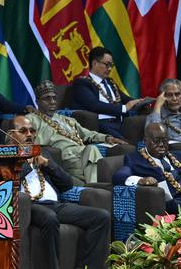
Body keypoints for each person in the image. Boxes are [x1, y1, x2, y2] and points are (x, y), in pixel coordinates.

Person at [8, 115, 110, 269]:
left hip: (55, 204)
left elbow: (66, 184)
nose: (29, 134)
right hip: (29, 206)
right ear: (10, 135)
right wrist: (27, 163)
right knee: (50, 218)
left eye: (32, 131)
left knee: (101, 217)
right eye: (23, 131)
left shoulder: (43, 153)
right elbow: (9, 183)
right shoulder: (5, 156)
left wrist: (48, 164)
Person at [27, 80, 126, 185]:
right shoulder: (31, 119)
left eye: (54, 98)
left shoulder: (67, 119)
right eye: (47, 98)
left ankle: (94, 187)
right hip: (65, 157)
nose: (52, 101)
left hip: (82, 154)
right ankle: (97, 188)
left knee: (96, 153)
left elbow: (87, 133)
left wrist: (107, 138)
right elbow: (24, 139)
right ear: (38, 101)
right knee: (92, 150)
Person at [114, 123, 181, 214]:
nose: (161, 145)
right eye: (156, 141)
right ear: (145, 141)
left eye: (164, 141)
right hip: (172, 205)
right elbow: (119, 176)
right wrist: (141, 180)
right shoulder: (135, 160)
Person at [72, 46, 144, 138]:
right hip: (101, 125)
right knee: (128, 145)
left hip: (120, 123)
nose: (110, 69)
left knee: (142, 138)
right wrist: (124, 108)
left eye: (111, 65)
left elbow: (125, 99)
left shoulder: (110, 82)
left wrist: (141, 102)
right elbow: (94, 105)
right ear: (94, 63)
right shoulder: (82, 83)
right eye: (107, 64)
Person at [146, 79, 181, 155]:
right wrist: (157, 106)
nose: (174, 98)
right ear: (162, 97)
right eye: (169, 95)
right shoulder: (155, 116)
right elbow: (154, 136)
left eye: (177, 94)